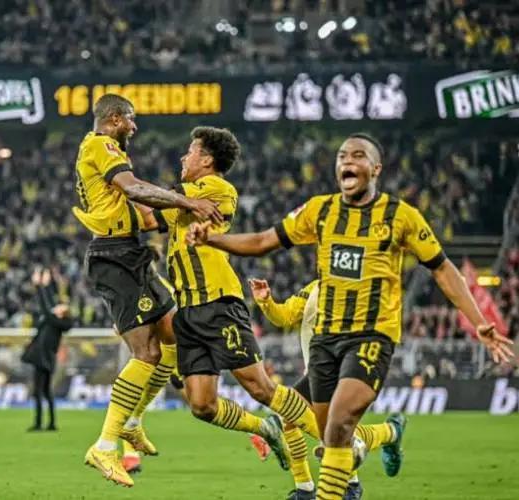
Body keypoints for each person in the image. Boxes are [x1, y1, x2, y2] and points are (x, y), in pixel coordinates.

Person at [188, 133, 514, 500]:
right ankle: (384, 439)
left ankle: (317, 489)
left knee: (340, 421)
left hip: (371, 336)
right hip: (325, 341)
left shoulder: (400, 216)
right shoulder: (320, 211)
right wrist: (211, 239)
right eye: (342, 155)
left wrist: (478, 321)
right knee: (332, 439)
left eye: (358, 155)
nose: (347, 160)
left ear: (375, 169)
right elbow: (264, 241)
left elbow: (442, 268)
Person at [143, 126, 328, 471]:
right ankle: (265, 428)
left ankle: (342, 443)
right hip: (188, 310)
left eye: (190, 151)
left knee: (261, 388)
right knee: (201, 405)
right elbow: (146, 216)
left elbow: (153, 198)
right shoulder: (182, 201)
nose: (183, 157)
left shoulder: (217, 188)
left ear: (207, 160)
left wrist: (119, 177)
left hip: (218, 303)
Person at [74, 93, 223, 487]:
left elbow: (140, 209)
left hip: (130, 252)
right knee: (148, 352)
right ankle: (105, 446)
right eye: (131, 119)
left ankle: (134, 420)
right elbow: (135, 189)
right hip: (114, 256)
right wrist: (185, 200)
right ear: (115, 118)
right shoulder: (101, 145)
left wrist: (182, 217)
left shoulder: (104, 152)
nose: (134, 127)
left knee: (175, 332)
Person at [252, 278, 404, 500]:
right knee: (302, 421)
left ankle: (338, 485)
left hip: (342, 369)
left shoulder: (360, 287)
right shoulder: (313, 288)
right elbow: (285, 316)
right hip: (317, 369)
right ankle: (391, 432)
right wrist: (267, 302)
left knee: (325, 426)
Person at [22, 268, 73, 431]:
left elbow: (45, 306)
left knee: (40, 392)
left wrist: (39, 286)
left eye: (60, 307)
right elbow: (49, 304)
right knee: (44, 392)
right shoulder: (52, 321)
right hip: (44, 358)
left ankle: (41, 423)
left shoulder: (55, 322)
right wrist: (46, 284)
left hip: (44, 359)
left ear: (62, 314)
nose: (57, 307)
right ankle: (50, 423)